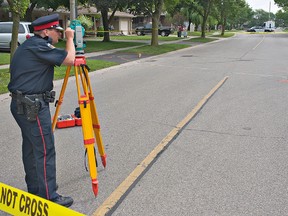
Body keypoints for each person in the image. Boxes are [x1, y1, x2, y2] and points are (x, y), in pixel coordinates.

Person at [8, 13, 75, 207]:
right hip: (33, 106)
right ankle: (49, 197)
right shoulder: (39, 46)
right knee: (45, 149)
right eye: (57, 31)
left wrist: (59, 42)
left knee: (31, 149)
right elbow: (70, 59)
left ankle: (35, 190)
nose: (60, 35)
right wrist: (71, 38)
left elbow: (55, 52)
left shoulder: (31, 45)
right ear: (46, 31)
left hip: (23, 103)